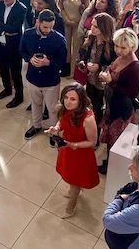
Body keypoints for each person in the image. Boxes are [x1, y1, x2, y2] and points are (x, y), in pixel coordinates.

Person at [46, 83, 99, 218]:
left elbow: (92, 142)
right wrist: (56, 128)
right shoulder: (65, 109)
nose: (68, 102)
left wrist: (75, 144)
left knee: (75, 179)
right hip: (67, 148)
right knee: (69, 175)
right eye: (66, 97)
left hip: (80, 154)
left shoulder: (88, 119)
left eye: (73, 99)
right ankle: (74, 190)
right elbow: (61, 121)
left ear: (80, 100)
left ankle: (72, 205)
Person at [97, 28, 139, 174]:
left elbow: (132, 93)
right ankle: (110, 161)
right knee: (110, 137)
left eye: (123, 48)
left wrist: (110, 82)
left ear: (132, 47)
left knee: (116, 138)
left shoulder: (134, 67)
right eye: (116, 46)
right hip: (113, 103)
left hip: (121, 109)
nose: (118, 50)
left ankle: (111, 166)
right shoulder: (121, 58)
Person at [22, 9, 67, 139]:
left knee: (53, 109)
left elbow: (62, 61)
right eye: (45, 27)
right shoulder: (28, 35)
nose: (48, 30)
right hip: (33, 78)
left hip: (50, 81)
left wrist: (48, 63)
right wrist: (29, 59)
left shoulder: (59, 39)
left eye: (51, 27)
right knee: (35, 104)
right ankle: (36, 126)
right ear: (38, 22)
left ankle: (54, 131)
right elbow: (22, 51)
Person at [77, 12, 116, 136]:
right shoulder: (91, 38)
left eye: (95, 27)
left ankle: (95, 135)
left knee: (98, 109)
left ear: (104, 28)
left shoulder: (112, 45)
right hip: (90, 79)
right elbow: (84, 54)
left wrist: (98, 67)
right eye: (92, 25)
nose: (91, 28)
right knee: (88, 105)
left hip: (102, 83)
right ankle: (87, 129)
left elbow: (113, 65)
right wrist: (83, 62)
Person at [58, 0, 90, 77]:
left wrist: (81, 15)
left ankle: (74, 72)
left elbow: (88, 9)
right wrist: (66, 19)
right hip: (67, 23)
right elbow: (61, 7)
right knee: (66, 46)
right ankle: (66, 69)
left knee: (76, 47)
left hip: (78, 23)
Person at [77, 0, 121, 66]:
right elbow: (80, 30)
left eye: (102, 2)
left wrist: (98, 67)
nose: (98, 2)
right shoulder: (89, 11)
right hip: (85, 41)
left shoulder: (111, 45)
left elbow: (110, 63)